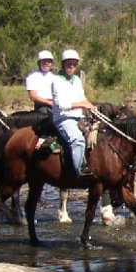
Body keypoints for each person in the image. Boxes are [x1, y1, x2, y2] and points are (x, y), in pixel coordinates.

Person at [51, 49, 94, 178]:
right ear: (63, 64)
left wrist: (91, 106)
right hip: (64, 118)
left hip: (79, 116)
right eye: (68, 64)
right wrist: (82, 105)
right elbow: (61, 105)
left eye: (74, 64)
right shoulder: (56, 81)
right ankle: (79, 170)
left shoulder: (76, 79)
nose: (71, 67)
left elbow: (82, 97)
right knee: (78, 139)